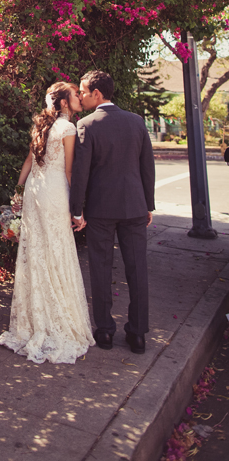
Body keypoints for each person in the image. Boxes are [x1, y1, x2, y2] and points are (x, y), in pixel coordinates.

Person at [0, 82, 95, 364]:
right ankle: (54, 319)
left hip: (35, 191)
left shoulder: (43, 127)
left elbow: (28, 162)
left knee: (36, 250)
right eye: (75, 95)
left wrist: (18, 193)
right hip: (53, 192)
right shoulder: (68, 129)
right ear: (64, 103)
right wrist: (78, 210)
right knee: (56, 250)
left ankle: (33, 318)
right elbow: (69, 170)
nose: (78, 98)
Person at [70, 70, 155, 354]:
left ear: (97, 93)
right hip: (134, 207)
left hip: (101, 210)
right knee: (137, 270)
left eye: (82, 91)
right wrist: (148, 205)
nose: (80, 96)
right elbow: (147, 168)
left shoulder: (86, 125)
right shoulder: (137, 122)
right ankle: (138, 334)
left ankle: (105, 331)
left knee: (100, 268)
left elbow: (81, 174)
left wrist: (77, 210)